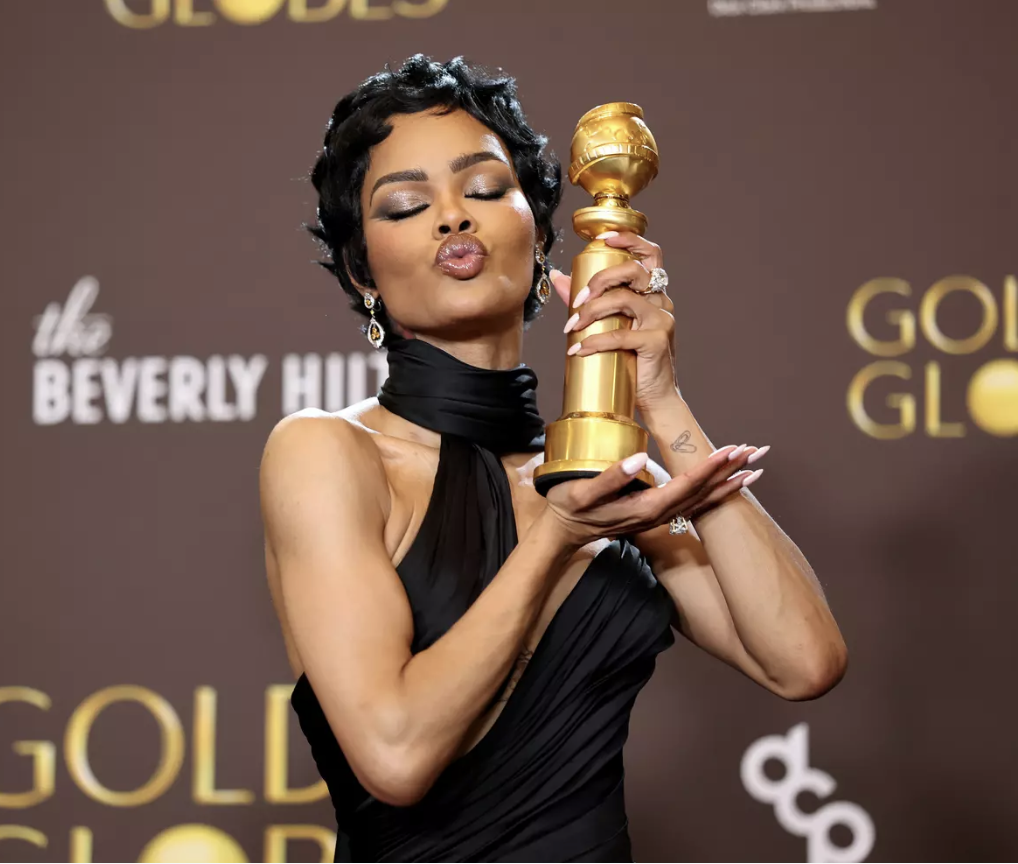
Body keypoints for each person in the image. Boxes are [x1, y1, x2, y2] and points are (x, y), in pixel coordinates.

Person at [259, 54, 846, 862]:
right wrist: (554, 538)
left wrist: (661, 401)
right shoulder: (329, 453)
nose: (452, 218)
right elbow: (395, 756)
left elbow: (803, 662)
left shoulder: (603, 473)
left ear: (539, 233)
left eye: (486, 189)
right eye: (405, 205)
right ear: (364, 273)